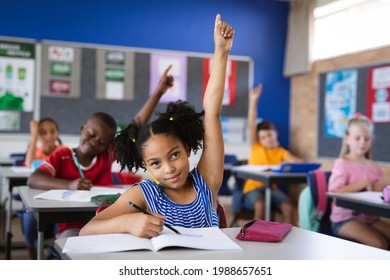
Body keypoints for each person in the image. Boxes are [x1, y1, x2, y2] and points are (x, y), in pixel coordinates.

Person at [79, 14, 234, 238]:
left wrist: (221, 53)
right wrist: (128, 222)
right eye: (155, 163)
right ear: (146, 165)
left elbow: (211, 112)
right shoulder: (145, 193)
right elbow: (87, 231)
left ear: (187, 149)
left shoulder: (207, 183)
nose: (168, 169)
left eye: (174, 155)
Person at [26, 64, 174, 246]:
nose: (95, 142)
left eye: (103, 142)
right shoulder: (63, 156)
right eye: (91, 134)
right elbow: (34, 179)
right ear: (82, 129)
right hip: (72, 229)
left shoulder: (105, 156)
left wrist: (159, 91)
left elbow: (134, 128)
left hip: (108, 225)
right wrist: (69, 184)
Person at [242, 84, 302, 224]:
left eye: (269, 135)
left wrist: (286, 163)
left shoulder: (281, 152)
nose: (267, 139)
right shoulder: (256, 147)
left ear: (276, 134)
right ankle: (254, 234)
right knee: (260, 206)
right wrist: (253, 101)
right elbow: (251, 125)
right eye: (263, 137)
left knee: (289, 207)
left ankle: (288, 235)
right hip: (253, 188)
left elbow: (298, 161)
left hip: (271, 188)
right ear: (259, 139)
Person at [328, 114, 390, 250]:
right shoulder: (342, 163)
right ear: (347, 139)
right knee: (380, 244)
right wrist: (363, 183)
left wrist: (383, 185)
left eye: (367, 138)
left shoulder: (373, 166)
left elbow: (375, 191)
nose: (362, 142)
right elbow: (334, 190)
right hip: (344, 219)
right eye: (357, 138)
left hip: (370, 217)